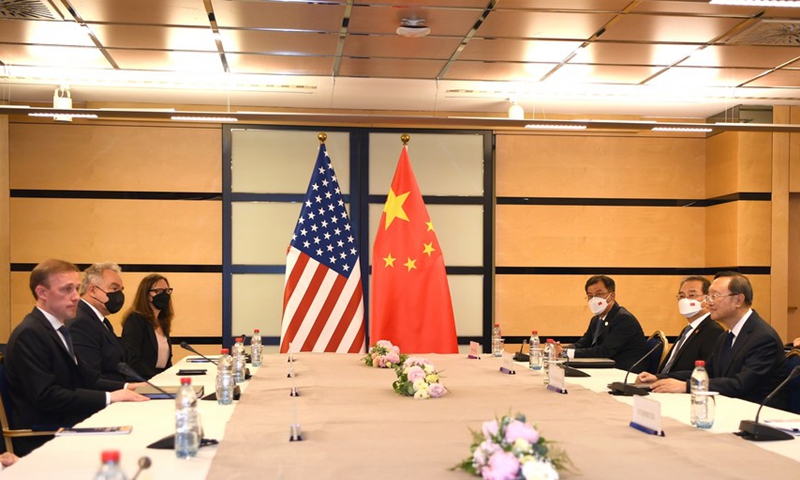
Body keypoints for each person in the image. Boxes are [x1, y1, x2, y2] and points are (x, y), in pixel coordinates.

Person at [4, 259, 148, 456]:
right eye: (67, 290)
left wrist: (122, 391)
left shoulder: (58, 330)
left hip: (69, 422)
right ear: (42, 293)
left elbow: (82, 380)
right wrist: (109, 397)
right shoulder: (30, 334)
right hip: (46, 434)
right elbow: (47, 397)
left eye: (77, 289)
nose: (76, 297)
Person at [640, 271, 788, 407]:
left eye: (714, 296)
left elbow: (741, 385)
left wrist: (686, 386)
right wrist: (659, 378)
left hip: (756, 416)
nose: (708, 302)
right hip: (728, 406)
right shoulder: (726, 336)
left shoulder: (763, 338)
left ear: (738, 300)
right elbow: (707, 372)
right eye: (708, 296)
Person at [554, 275, 647, 372]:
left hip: (625, 372)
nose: (594, 299)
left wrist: (566, 353)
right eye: (590, 295)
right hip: (605, 367)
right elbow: (584, 343)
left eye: (599, 294)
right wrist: (561, 349)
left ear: (612, 296)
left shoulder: (623, 319)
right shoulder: (596, 319)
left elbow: (604, 351)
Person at [66, 262, 129, 384]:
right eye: (114, 288)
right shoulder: (80, 322)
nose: (119, 295)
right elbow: (91, 378)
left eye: (121, 290)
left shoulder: (101, 320)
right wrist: (129, 387)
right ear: (93, 290)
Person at [654, 276, 724, 375]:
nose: (685, 300)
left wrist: (662, 379)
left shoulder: (713, 331)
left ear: (707, 299)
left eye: (692, 295)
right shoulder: (688, 329)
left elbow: (706, 373)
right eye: (682, 296)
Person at [121, 274, 174, 379]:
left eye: (167, 290)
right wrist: (156, 379)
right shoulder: (135, 320)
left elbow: (165, 360)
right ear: (146, 294)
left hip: (160, 380)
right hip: (142, 381)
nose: (164, 295)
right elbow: (133, 360)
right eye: (158, 291)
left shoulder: (162, 321)